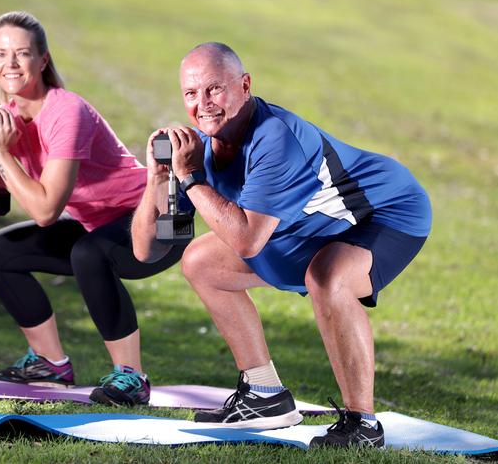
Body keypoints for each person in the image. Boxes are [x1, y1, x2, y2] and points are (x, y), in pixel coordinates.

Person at [131, 42, 431, 445]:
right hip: (312, 223)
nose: (203, 104)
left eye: (214, 89)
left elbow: (247, 241)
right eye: (191, 93)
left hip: (386, 212)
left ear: (245, 85)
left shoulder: (276, 138)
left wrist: (190, 179)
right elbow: (150, 249)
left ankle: (362, 424)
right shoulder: (196, 149)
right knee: (200, 261)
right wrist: (158, 179)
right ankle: (264, 395)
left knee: (329, 278)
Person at [0, 11, 184, 406]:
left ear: (43, 59)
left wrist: (1, 151)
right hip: (96, 223)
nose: (10, 64)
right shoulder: (9, 121)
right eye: (0, 54)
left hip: (152, 217)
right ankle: (50, 364)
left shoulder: (66, 112)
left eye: (21, 54)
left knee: (89, 252)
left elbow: (46, 211)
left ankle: (132, 378)